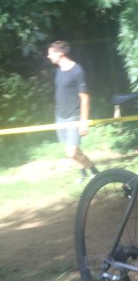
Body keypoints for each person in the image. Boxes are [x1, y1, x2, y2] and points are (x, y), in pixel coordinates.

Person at [47, 41, 99, 182]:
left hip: (73, 117)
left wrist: (83, 122)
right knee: (73, 151)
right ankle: (85, 174)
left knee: (71, 152)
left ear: (60, 54)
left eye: (50, 53)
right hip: (60, 116)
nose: (48, 56)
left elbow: (85, 97)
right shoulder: (58, 71)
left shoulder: (77, 70)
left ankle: (96, 172)